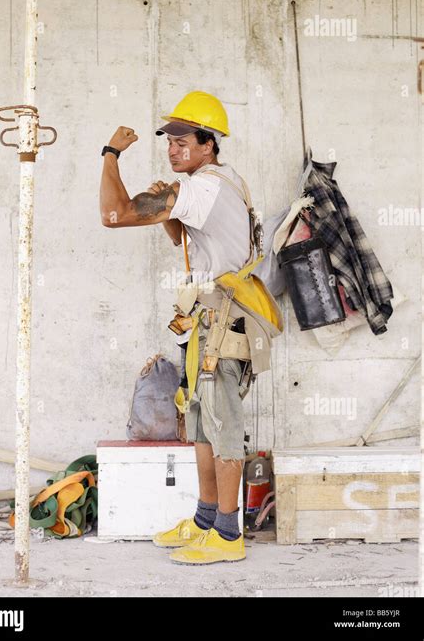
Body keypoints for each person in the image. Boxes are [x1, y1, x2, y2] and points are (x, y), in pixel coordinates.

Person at [99, 91, 256, 565]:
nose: (172, 148)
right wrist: (170, 217)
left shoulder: (203, 186)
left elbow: (114, 215)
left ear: (209, 144)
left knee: (224, 427)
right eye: (169, 140)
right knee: (205, 427)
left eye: (182, 140)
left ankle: (228, 536)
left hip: (222, 323)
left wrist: (110, 156)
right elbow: (190, 240)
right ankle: (207, 520)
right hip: (207, 322)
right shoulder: (215, 184)